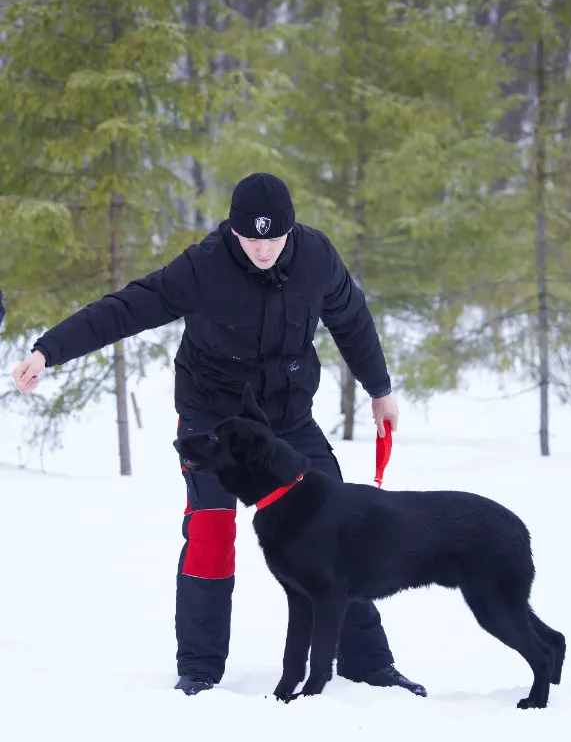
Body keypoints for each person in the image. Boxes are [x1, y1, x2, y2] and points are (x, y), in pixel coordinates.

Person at [13, 172, 426, 698]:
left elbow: (351, 318)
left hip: (287, 420)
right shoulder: (202, 267)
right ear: (233, 232)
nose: (262, 248)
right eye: (251, 238)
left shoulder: (316, 257)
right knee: (210, 530)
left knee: (338, 529)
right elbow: (126, 308)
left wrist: (379, 388)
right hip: (214, 420)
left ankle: (368, 664)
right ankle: (200, 671)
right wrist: (49, 350)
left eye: (273, 237)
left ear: (291, 229)